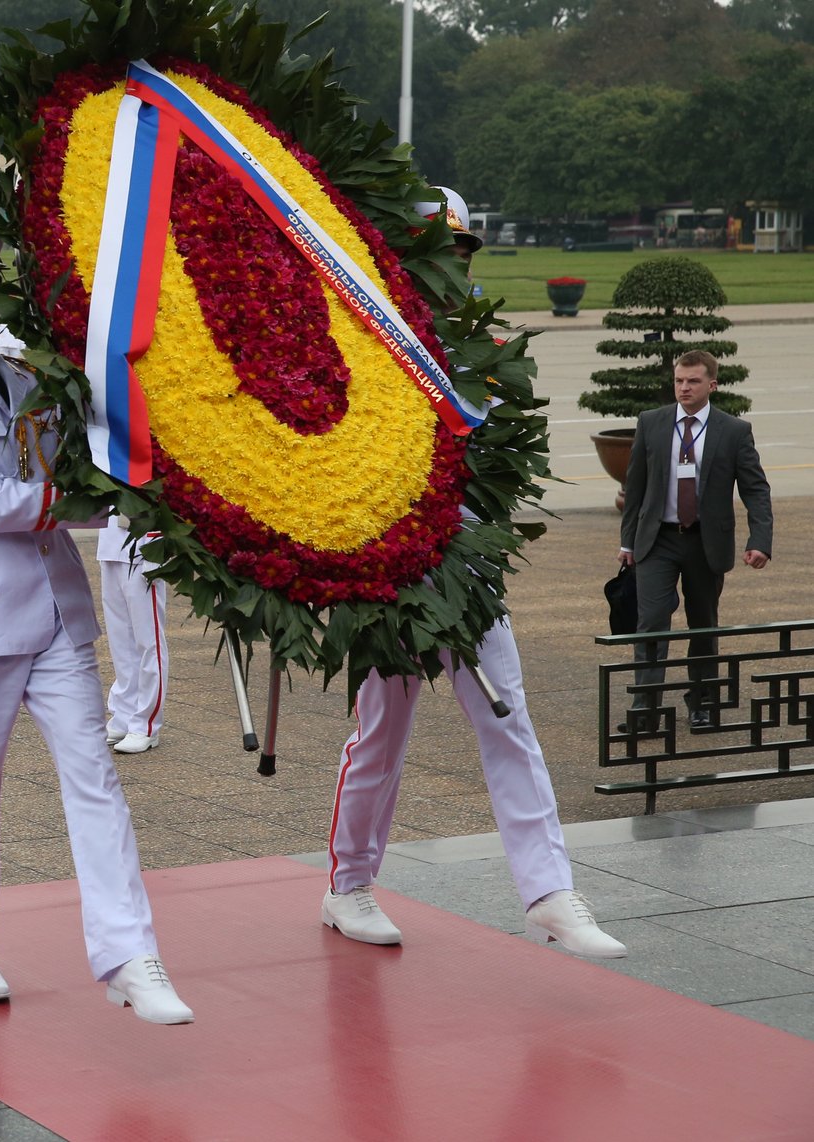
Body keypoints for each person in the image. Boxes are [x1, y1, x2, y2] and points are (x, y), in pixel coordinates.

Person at [0, 207, 191, 1024]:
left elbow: (90, 441)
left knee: (94, 779)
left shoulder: (32, 375)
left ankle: (129, 953)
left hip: (58, 608)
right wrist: (102, 500)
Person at [323, 187, 627, 959]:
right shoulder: (363, 337)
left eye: (464, 255)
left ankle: (549, 892)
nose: (458, 269)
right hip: (391, 565)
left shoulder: (479, 342)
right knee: (382, 733)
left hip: (465, 559)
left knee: (507, 717)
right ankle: (348, 885)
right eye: (443, 256)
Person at [618, 348, 773, 730]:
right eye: (679, 381)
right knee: (651, 622)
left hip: (705, 541)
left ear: (712, 384)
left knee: (703, 623)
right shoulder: (651, 422)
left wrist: (760, 539)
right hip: (658, 539)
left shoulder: (733, 431)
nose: (684, 388)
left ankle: (702, 701)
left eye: (693, 381)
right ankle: (646, 710)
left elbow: (755, 489)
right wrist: (627, 543)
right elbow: (634, 486)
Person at [98, 516, 168, 754]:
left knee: (149, 641)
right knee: (121, 643)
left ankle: (146, 724)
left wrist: (157, 543)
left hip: (143, 547)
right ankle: (124, 716)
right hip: (110, 541)